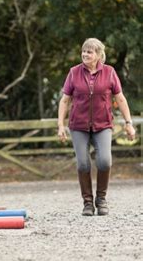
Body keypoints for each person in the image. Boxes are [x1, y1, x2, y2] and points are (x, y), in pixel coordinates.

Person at [57, 38, 136, 216]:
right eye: (84, 51)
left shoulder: (109, 72)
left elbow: (120, 98)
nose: (85, 54)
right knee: (83, 163)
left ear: (99, 55)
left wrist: (128, 123)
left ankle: (101, 199)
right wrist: (60, 124)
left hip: (103, 124)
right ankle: (87, 203)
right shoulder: (74, 72)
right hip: (78, 125)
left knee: (104, 161)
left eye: (90, 52)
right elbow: (65, 100)